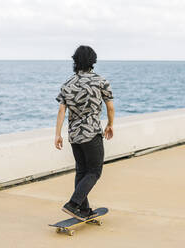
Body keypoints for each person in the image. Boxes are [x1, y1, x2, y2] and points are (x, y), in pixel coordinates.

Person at [54, 45, 115, 221]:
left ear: (75, 61)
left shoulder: (67, 84)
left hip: (74, 134)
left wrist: (57, 134)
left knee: (82, 172)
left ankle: (83, 209)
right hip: (91, 133)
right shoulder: (100, 81)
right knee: (94, 172)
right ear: (93, 61)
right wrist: (110, 124)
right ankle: (73, 204)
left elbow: (61, 111)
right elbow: (110, 107)